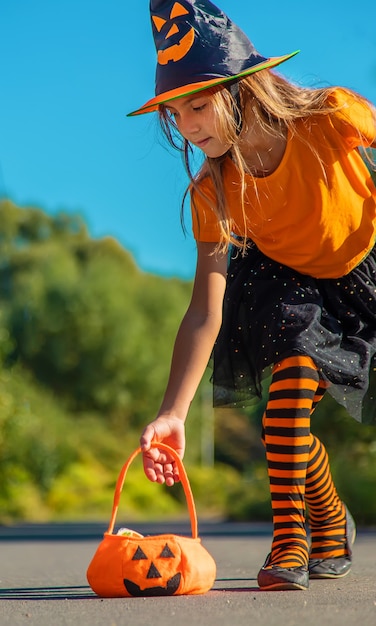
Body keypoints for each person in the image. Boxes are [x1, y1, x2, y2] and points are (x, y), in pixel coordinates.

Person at [127, 0, 376, 591]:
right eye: (174, 112)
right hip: (285, 282)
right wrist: (172, 412)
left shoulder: (332, 117)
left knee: (297, 424)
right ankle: (291, 540)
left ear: (241, 89)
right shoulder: (213, 191)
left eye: (197, 105)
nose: (188, 126)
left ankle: (331, 518)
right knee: (287, 398)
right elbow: (203, 311)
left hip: (363, 268)